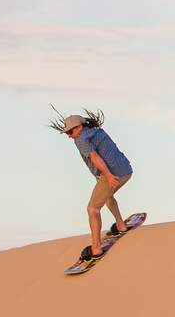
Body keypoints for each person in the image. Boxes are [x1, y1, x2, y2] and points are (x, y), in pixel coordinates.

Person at [50, 109, 134, 260]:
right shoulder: (96, 130)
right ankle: (121, 226)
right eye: (67, 133)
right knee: (106, 197)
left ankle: (96, 249)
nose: (69, 136)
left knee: (93, 209)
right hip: (126, 169)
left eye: (70, 132)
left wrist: (108, 175)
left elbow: (95, 157)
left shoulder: (80, 139)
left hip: (112, 174)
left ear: (79, 127)